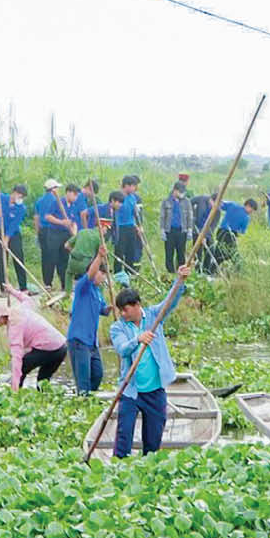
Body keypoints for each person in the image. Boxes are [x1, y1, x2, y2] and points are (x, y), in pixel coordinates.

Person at [108, 263, 189, 458]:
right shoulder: (118, 328)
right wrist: (137, 339)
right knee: (123, 435)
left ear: (136, 306)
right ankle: (119, 467)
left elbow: (169, 302)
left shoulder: (154, 316)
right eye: (121, 311)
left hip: (155, 391)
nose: (123, 314)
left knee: (153, 439)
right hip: (131, 390)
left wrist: (180, 280)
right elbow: (121, 349)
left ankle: (148, 468)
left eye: (126, 309)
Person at [0, 285, 68, 390]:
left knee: (22, 366)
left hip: (50, 348)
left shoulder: (14, 326)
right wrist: (12, 291)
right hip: (62, 347)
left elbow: (17, 357)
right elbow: (27, 300)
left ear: (3, 317)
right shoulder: (20, 309)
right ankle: (43, 399)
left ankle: (16, 392)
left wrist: (15, 384)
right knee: (43, 381)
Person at [67, 223, 112, 393]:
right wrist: (99, 257)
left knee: (98, 375)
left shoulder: (97, 292)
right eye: (102, 273)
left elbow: (103, 311)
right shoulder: (83, 286)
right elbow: (91, 274)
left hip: (92, 342)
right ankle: (82, 402)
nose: (103, 277)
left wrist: (112, 307)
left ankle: (88, 401)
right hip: (79, 340)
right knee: (83, 380)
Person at [35, 179, 75, 292]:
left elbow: (36, 218)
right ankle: (62, 283)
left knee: (47, 258)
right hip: (53, 230)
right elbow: (47, 216)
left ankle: (48, 283)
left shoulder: (39, 200)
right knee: (61, 259)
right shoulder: (56, 200)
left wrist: (37, 232)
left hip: (43, 230)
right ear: (53, 189)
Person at [113, 175, 144, 271]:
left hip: (131, 227)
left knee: (131, 251)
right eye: (132, 186)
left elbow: (135, 213)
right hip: (120, 228)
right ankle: (118, 273)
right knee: (119, 252)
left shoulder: (133, 198)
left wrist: (139, 226)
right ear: (126, 186)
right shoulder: (117, 196)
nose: (134, 188)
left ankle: (129, 272)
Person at [160, 181, 192, 272]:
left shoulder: (186, 202)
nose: (182, 194)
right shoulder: (166, 201)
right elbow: (162, 217)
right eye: (180, 192)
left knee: (181, 253)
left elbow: (189, 216)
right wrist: (162, 230)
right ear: (175, 190)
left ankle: (181, 272)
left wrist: (189, 229)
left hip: (182, 231)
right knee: (169, 253)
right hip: (169, 231)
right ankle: (170, 271)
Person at [215, 197, 256, 266]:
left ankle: (213, 267)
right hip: (231, 235)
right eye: (252, 210)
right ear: (248, 206)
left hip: (221, 232)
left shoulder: (232, 205)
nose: (251, 212)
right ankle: (238, 268)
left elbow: (220, 204)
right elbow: (242, 232)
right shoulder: (246, 217)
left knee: (219, 250)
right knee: (232, 253)